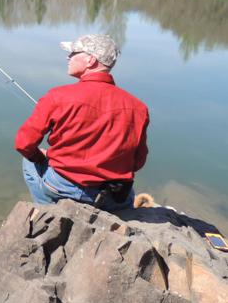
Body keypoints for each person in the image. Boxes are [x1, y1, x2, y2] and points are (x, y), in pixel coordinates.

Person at [14, 34, 149, 211]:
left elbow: (23, 144)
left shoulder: (58, 96)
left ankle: (46, 212)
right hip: (112, 197)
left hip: (63, 188)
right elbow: (138, 162)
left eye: (73, 53)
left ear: (90, 60)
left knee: (29, 162)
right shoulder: (138, 107)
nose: (68, 58)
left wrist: (44, 158)